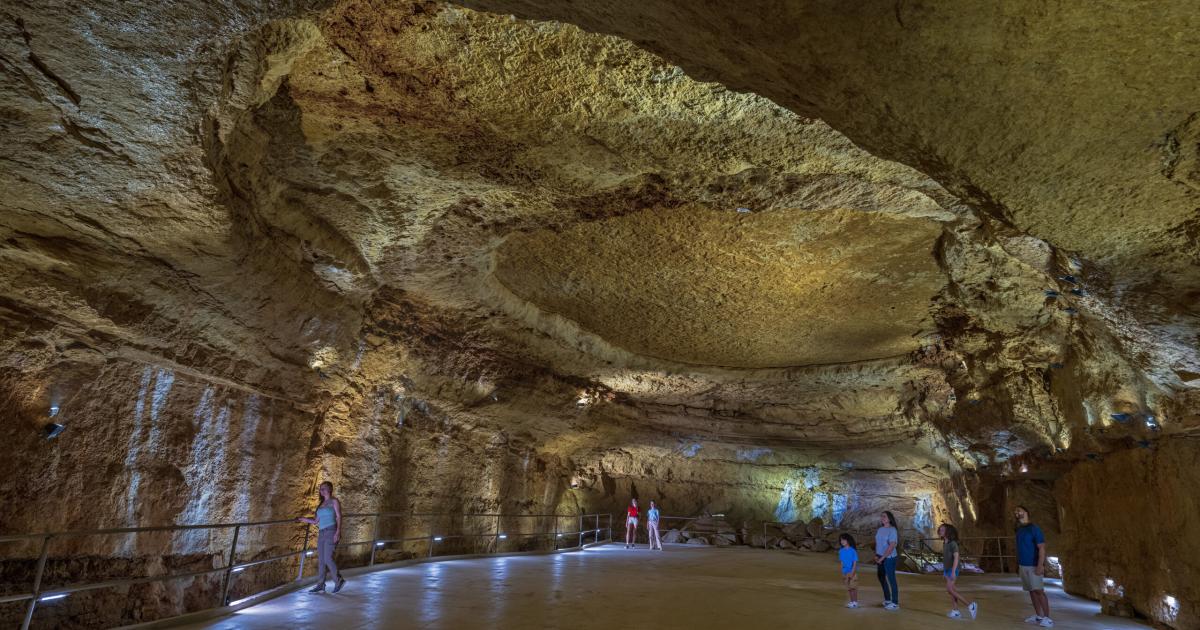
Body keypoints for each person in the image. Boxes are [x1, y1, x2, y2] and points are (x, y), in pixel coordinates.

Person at [296, 481, 345, 593]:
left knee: (328, 558)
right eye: (320, 488)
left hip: (331, 531)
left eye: (324, 488)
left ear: (330, 489)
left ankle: (338, 580)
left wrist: (338, 532)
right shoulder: (321, 504)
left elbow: (339, 516)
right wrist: (303, 519)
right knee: (321, 560)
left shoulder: (334, 501)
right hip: (322, 533)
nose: (321, 490)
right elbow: (315, 521)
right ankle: (320, 584)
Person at [1014, 506, 1052, 627]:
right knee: (1031, 590)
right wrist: (1018, 564)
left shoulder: (1034, 528)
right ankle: (1039, 615)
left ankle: (1048, 618)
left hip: (1033, 565)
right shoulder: (1019, 529)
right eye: (1015, 511)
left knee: (1039, 590)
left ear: (1026, 512)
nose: (1016, 512)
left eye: (1019, 510)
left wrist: (1040, 565)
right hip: (1023, 565)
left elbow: (1041, 548)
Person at [939, 523, 978, 619]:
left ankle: (970, 605)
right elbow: (946, 559)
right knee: (952, 590)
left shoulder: (953, 544)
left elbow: (956, 557)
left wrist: (953, 571)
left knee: (950, 589)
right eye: (940, 529)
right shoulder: (945, 543)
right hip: (947, 569)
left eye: (942, 530)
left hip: (953, 569)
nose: (940, 531)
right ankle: (956, 611)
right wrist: (944, 571)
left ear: (948, 532)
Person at [874, 511, 900, 610]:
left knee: (891, 578)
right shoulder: (880, 529)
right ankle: (888, 599)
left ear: (889, 519)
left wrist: (882, 558)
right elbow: (878, 543)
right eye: (881, 516)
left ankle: (895, 602)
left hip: (889, 557)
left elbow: (891, 546)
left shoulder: (892, 530)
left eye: (884, 516)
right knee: (881, 577)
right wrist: (877, 555)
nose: (882, 518)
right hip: (880, 556)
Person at [838, 533, 859, 608]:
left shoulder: (853, 551)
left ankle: (855, 602)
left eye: (844, 540)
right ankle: (851, 601)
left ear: (848, 540)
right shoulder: (841, 551)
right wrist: (842, 572)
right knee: (849, 588)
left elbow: (855, 562)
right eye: (841, 540)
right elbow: (841, 562)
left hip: (852, 572)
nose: (842, 541)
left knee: (853, 587)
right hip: (845, 572)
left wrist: (852, 572)